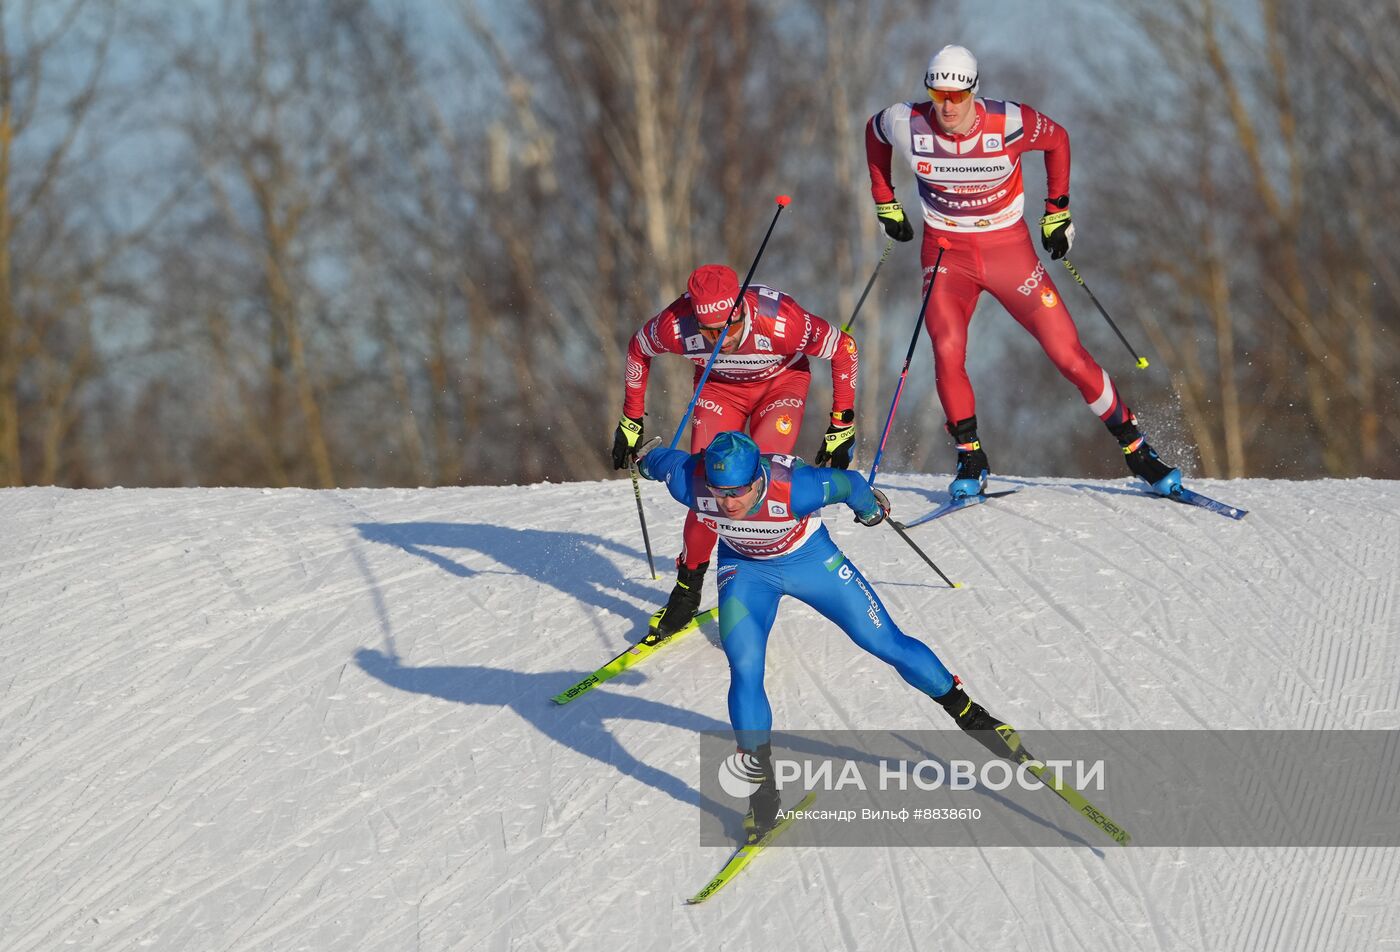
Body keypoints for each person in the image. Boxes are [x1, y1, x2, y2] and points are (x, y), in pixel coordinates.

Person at [637, 429, 1020, 839]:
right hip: (747, 572)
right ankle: (762, 793)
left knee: (883, 642)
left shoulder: (796, 489)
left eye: (738, 493)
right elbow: (658, 461)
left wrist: (870, 510)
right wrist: (642, 458)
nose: (728, 504)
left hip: (810, 562)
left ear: (757, 479)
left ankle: (970, 714)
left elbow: (851, 485)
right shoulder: (688, 481)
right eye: (719, 492)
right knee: (744, 668)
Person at [865, 44, 1181, 498]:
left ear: (974, 89)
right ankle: (970, 457)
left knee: (1067, 354)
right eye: (938, 95)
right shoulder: (904, 122)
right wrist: (884, 200)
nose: (947, 106)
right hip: (946, 255)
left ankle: (1137, 448)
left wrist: (1057, 211)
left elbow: (1058, 140)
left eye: (957, 96)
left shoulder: (1009, 121)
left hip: (1009, 254)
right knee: (948, 349)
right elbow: (872, 134)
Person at [612, 263, 861, 640]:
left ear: (743, 307)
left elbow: (845, 348)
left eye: (728, 326)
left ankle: (756, 584)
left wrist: (842, 424)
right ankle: (687, 589)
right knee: (708, 489)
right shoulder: (675, 326)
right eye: (708, 331)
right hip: (718, 390)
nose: (720, 339)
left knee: (758, 484)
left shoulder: (782, 322)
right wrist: (631, 421)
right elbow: (637, 349)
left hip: (781, 385)